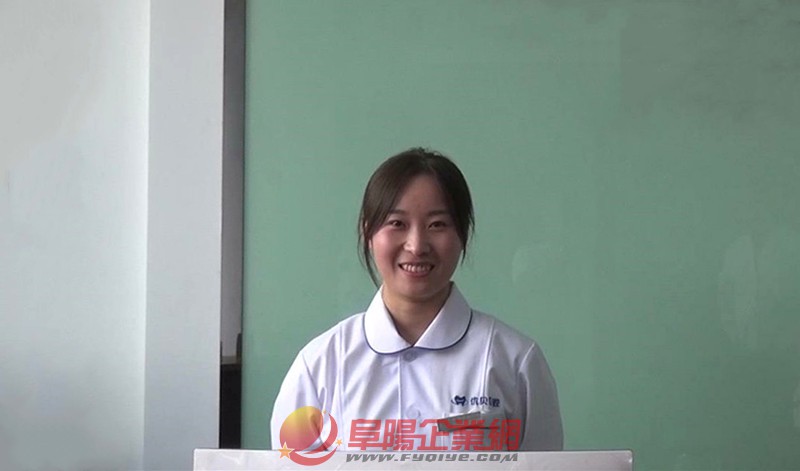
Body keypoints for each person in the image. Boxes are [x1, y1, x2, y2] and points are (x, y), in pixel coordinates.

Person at [271, 148, 563, 453]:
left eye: (437, 224)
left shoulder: (515, 361)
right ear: (368, 233)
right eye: (397, 223)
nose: (417, 245)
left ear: (462, 234)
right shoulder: (319, 366)